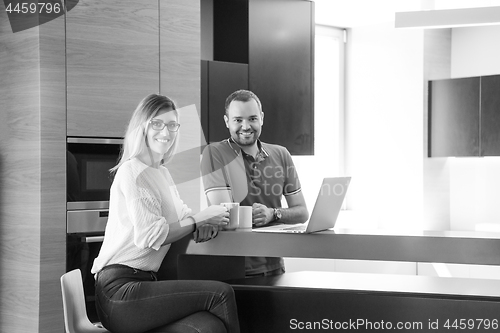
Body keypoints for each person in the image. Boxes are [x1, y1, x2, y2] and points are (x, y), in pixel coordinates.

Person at [91, 93, 240, 333]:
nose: (166, 132)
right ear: (143, 128)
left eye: (172, 125)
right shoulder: (132, 172)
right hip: (120, 292)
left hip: (144, 286)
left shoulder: (162, 173)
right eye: (157, 124)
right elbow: (151, 236)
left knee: (208, 327)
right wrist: (201, 218)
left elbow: (184, 215)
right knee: (221, 294)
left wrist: (208, 220)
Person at [201, 89, 309, 277]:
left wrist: (273, 213)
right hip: (233, 268)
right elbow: (225, 213)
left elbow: (302, 212)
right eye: (238, 120)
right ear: (227, 121)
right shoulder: (214, 154)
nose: (246, 126)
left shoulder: (281, 154)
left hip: (274, 265)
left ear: (262, 118)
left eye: (252, 118)